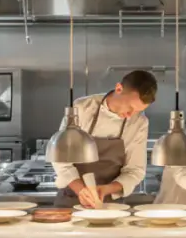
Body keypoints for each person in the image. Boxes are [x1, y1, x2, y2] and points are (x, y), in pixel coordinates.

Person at [51, 70, 157, 208]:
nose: (131, 115)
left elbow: (135, 170)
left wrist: (107, 189)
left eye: (138, 110)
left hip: (109, 205)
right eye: (130, 107)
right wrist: (81, 190)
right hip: (70, 200)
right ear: (119, 88)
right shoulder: (81, 108)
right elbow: (61, 159)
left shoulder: (139, 122)